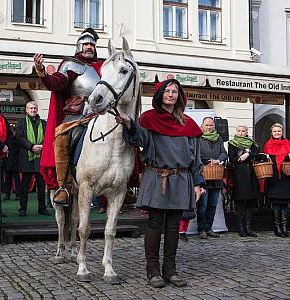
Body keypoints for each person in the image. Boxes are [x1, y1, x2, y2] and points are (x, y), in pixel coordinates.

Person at [115, 79, 204, 288]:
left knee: (174, 226)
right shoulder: (148, 119)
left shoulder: (187, 123)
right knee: (155, 224)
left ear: (179, 96)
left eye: (175, 91)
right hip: (157, 176)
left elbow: (196, 156)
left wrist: (198, 182)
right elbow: (139, 140)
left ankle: (170, 270)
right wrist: (129, 124)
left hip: (181, 178)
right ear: (160, 95)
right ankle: (153, 271)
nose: (171, 94)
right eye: (167, 91)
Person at [34, 27, 103, 206]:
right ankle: (63, 186)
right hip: (77, 115)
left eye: (92, 44)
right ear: (80, 46)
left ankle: (121, 184)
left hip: (101, 113)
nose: (90, 47)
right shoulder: (70, 64)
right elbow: (58, 82)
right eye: (86, 44)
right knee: (62, 138)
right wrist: (42, 72)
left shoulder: (102, 67)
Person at [263, 123, 290, 238]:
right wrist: (286, 157)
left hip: (287, 176)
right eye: (275, 131)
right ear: (271, 132)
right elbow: (270, 158)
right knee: (276, 203)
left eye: (279, 131)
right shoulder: (268, 144)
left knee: (285, 204)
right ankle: (277, 228)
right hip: (274, 177)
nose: (277, 133)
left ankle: (284, 227)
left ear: (282, 132)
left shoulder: (287, 143)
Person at [16, 101, 50, 216]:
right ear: (27, 110)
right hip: (27, 159)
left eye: (35, 108)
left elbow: (49, 137)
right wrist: (31, 147)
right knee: (24, 187)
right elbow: (20, 138)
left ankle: (42, 208)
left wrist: (41, 146)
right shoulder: (21, 123)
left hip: (41, 159)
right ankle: (23, 209)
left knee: (41, 186)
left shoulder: (44, 123)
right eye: (31, 108)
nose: (33, 110)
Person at [198, 117, 228, 239]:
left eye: (211, 125)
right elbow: (197, 154)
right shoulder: (198, 138)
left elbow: (224, 153)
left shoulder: (218, 138)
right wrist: (209, 161)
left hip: (216, 178)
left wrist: (218, 160)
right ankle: (201, 229)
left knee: (213, 205)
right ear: (202, 126)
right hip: (204, 177)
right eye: (207, 125)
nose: (209, 127)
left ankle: (209, 228)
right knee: (203, 206)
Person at [228, 125, 260, 238]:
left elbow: (257, 153)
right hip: (239, 174)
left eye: (243, 131)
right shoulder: (232, 143)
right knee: (240, 202)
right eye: (239, 131)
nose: (241, 133)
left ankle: (248, 228)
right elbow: (231, 158)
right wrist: (240, 157)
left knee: (251, 202)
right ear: (236, 132)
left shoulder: (252, 143)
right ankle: (240, 228)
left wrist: (248, 154)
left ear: (247, 132)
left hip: (251, 174)